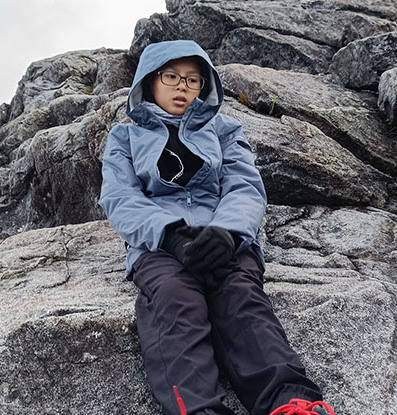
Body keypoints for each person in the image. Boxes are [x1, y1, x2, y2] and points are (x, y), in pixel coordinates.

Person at [98, 39, 334, 415]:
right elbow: (119, 197)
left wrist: (228, 233)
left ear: (204, 86)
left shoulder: (224, 129)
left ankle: (292, 403)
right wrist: (172, 235)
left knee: (243, 299)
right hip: (161, 247)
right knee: (175, 299)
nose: (182, 87)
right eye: (171, 76)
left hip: (227, 242)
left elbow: (244, 185)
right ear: (149, 81)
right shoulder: (123, 138)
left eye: (193, 80)